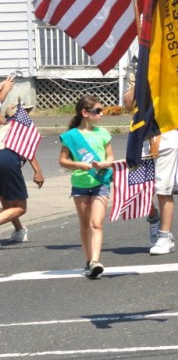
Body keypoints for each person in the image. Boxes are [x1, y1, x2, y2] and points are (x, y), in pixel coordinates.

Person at [123, 73, 178, 255]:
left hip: (166, 134)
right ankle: (153, 218)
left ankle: (165, 236)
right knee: (139, 188)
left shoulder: (169, 68)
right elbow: (128, 104)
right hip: (140, 135)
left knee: (163, 188)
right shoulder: (136, 70)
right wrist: (142, 80)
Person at [58, 96, 114, 279]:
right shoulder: (71, 136)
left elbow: (110, 158)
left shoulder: (103, 133)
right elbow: (63, 161)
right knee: (85, 225)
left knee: (96, 223)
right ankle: (89, 260)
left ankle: (95, 261)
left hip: (100, 183)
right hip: (80, 184)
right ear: (85, 113)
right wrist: (80, 165)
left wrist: (104, 164)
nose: (101, 114)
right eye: (98, 111)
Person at [0, 104, 44, 245]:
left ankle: (19, 230)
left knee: (6, 199)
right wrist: (37, 171)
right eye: (25, 111)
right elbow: (28, 150)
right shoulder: (22, 126)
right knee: (20, 207)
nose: (27, 113)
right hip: (7, 159)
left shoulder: (4, 127)